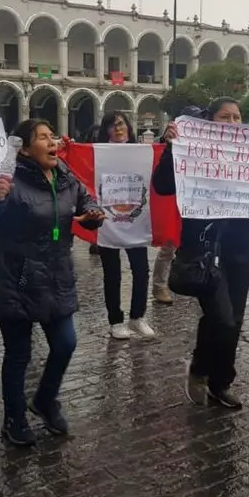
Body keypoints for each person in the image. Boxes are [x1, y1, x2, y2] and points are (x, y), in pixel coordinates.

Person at [0, 119, 105, 446]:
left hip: (56, 276)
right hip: (15, 279)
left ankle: (44, 400)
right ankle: (14, 418)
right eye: (43, 137)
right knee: (19, 353)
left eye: (52, 136)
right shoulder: (7, 178)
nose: (52, 141)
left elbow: (86, 199)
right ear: (26, 149)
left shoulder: (65, 175)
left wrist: (93, 212)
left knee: (66, 343)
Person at [153, 97, 249, 409]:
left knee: (231, 318)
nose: (233, 123)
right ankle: (200, 369)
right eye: (225, 117)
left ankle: (220, 382)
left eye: (237, 117)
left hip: (240, 243)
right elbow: (162, 186)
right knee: (223, 318)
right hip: (205, 247)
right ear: (209, 122)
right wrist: (172, 149)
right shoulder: (189, 148)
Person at [93, 112, 155, 339]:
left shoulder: (141, 152)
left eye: (121, 124)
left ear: (128, 126)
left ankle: (138, 317)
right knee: (112, 273)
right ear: (106, 130)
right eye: (112, 125)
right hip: (108, 220)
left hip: (136, 220)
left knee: (141, 270)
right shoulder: (98, 151)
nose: (118, 129)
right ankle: (115, 320)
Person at [151, 105, 205, 305]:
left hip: (197, 201)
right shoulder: (168, 142)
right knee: (168, 246)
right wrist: (169, 145)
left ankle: (192, 278)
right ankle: (159, 286)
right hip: (173, 200)